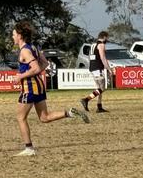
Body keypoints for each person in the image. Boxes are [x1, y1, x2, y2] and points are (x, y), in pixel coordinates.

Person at [11, 21, 89, 156]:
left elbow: (35, 67)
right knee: (44, 117)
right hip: (39, 86)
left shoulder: (24, 50)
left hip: (29, 88)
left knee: (20, 117)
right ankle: (69, 113)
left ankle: (29, 148)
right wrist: (33, 74)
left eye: (13, 34)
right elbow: (45, 64)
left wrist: (21, 76)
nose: (12, 37)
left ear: (19, 35)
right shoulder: (33, 47)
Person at [81, 31, 111, 113]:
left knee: (99, 89)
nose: (107, 40)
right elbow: (103, 58)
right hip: (98, 68)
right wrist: (109, 69)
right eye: (107, 38)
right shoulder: (101, 45)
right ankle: (86, 99)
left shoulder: (93, 45)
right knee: (102, 88)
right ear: (104, 37)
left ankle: (99, 106)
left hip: (93, 68)